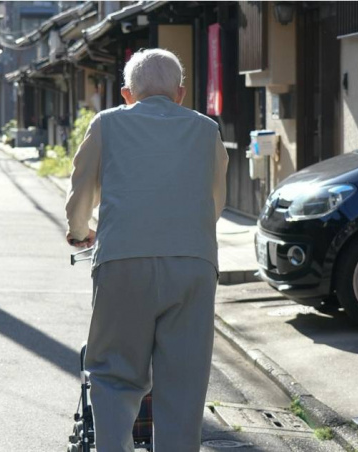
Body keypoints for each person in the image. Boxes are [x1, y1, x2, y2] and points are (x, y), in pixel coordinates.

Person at [65, 48, 228, 451]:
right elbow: (215, 201)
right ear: (180, 94)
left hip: (122, 260)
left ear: (127, 94)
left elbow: (81, 189)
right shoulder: (206, 129)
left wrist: (79, 230)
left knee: (114, 376)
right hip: (192, 263)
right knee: (183, 384)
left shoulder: (107, 124)